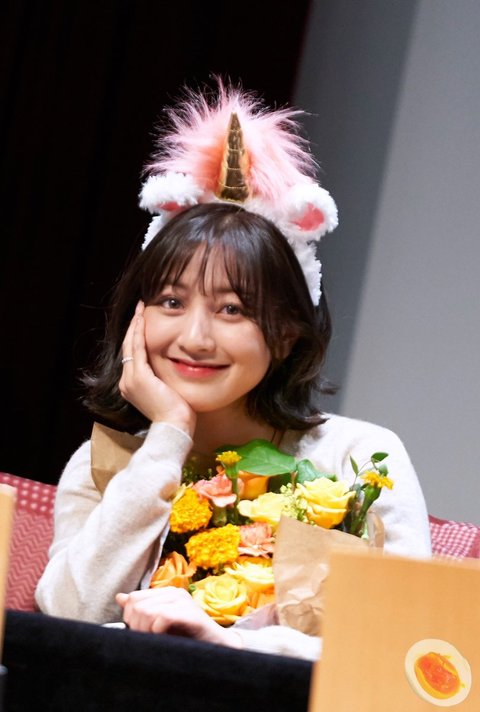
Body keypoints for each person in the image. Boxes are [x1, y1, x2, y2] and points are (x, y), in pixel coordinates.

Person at [35, 82, 431, 660]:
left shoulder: (358, 457)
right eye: (171, 301)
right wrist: (168, 435)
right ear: (136, 318)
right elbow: (67, 618)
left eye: (232, 309)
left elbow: (402, 643)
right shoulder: (105, 463)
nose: (195, 338)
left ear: (288, 333)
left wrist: (229, 643)